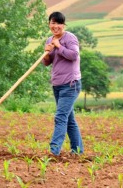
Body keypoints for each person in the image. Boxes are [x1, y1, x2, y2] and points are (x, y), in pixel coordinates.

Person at [43, 11, 83, 156]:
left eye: (59, 23)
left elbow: (73, 55)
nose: (56, 26)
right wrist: (47, 53)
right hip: (57, 84)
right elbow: (47, 63)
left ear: (63, 25)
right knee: (69, 119)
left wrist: (58, 46)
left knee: (60, 117)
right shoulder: (49, 40)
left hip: (71, 84)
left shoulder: (70, 38)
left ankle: (54, 151)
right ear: (49, 24)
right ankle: (77, 151)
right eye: (53, 23)